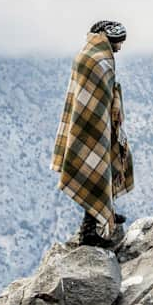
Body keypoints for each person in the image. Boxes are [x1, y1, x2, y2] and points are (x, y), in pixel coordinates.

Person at [50, 20, 134, 247]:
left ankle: (104, 213)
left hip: (99, 125)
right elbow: (93, 99)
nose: (120, 47)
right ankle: (90, 232)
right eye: (118, 42)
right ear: (110, 39)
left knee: (104, 167)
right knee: (95, 170)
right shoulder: (97, 60)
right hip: (91, 128)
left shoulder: (89, 55)